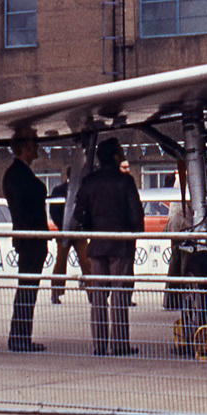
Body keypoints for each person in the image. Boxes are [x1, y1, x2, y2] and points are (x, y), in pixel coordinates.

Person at [73, 139, 144, 355]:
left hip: (97, 243)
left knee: (98, 296)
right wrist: (133, 233)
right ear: (115, 156)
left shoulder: (89, 181)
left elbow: (78, 213)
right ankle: (120, 344)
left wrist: (91, 228)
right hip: (120, 243)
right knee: (119, 293)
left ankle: (99, 345)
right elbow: (135, 214)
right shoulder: (126, 182)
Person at [3, 130, 50, 352]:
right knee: (27, 288)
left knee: (28, 288)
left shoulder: (16, 174)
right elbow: (26, 208)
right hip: (31, 239)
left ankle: (20, 336)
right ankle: (20, 337)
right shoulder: (17, 175)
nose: (37, 151)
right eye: (33, 146)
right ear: (24, 149)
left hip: (30, 239)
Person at [49, 168, 88, 304]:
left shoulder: (83, 189)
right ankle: (56, 292)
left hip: (78, 231)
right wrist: (63, 225)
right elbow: (54, 211)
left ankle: (94, 294)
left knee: (86, 262)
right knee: (60, 263)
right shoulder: (59, 190)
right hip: (64, 231)